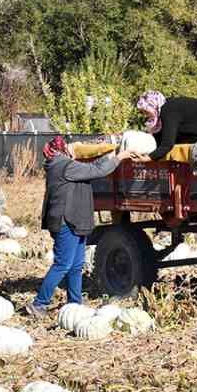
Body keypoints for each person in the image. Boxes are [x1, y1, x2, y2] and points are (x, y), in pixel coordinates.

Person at [27, 135, 139, 315]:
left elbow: (91, 167)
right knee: (63, 264)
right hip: (67, 221)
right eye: (68, 147)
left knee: (76, 265)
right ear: (62, 149)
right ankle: (39, 304)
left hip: (75, 220)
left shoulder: (59, 163)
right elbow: (96, 171)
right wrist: (119, 157)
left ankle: (75, 304)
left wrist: (108, 154)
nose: (72, 149)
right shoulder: (63, 165)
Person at [136, 90, 197, 159]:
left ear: (153, 106)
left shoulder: (169, 110)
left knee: (193, 148)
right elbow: (159, 140)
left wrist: (149, 158)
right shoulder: (164, 110)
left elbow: (167, 144)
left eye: (146, 111)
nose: (145, 115)